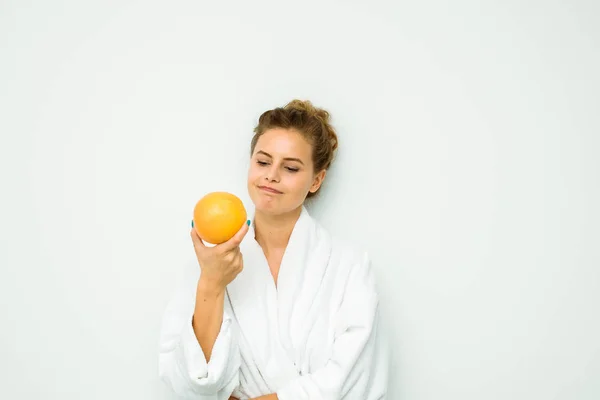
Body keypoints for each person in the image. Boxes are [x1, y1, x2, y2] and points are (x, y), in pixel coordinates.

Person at [158, 100, 389, 399]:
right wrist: (212, 284)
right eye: (263, 162)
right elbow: (188, 381)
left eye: (290, 167)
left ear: (316, 180)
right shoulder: (211, 261)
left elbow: (353, 377)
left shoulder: (350, 267)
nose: (271, 175)